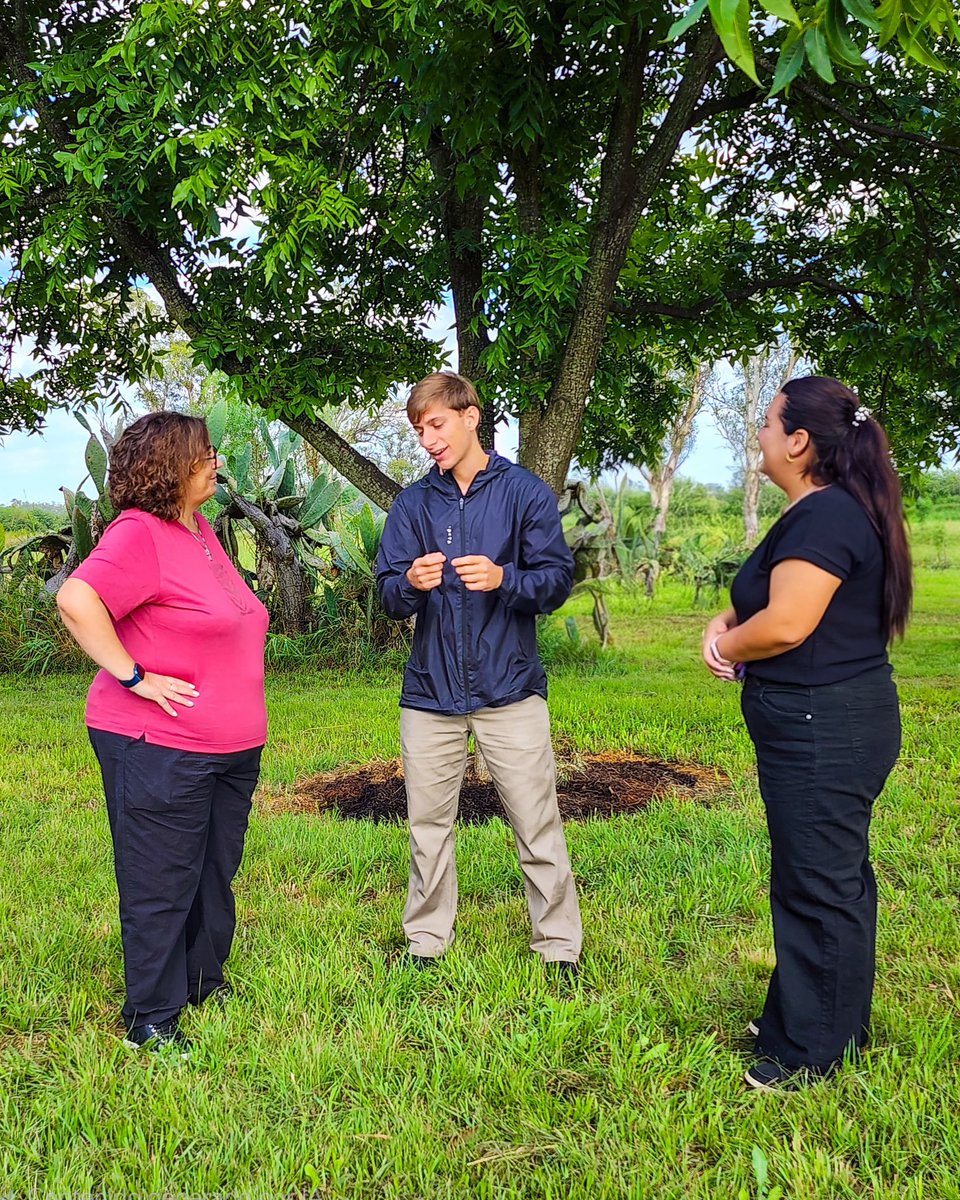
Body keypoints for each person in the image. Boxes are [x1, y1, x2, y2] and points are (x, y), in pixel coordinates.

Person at [702, 376, 912, 1092]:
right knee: (827, 877)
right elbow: (774, 600)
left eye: (765, 424)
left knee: (818, 883)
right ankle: (823, 1018)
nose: (758, 436)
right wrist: (730, 622)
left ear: (798, 441)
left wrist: (726, 651)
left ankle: (812, 1054)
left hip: (825, 726)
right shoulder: (826, 512)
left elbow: (791, 622)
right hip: (831, 720)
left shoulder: (825, 518)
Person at [57, 412, 269, 1054]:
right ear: (170, 467)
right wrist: (134, 675)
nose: (214, 460)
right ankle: (151, 1015)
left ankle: (203, 978)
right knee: (160, 876)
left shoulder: (200, 529)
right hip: (158, 744)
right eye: (202, 454)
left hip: (227, 747)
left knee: (212, 868)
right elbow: (77, 599)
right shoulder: (139, 534)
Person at [376, 371, 582, 975]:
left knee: (536, 823)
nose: (427, 439)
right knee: (428, 828)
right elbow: (386, 592)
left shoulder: (525, 494)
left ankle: (558, 946)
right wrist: (408, 584)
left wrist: (505, 579)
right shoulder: (413, 504)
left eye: (435, 424)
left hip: (509, 690)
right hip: (430, 694)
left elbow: (557, 580)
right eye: (418, 429)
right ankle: (426, 941)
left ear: (471, 416)